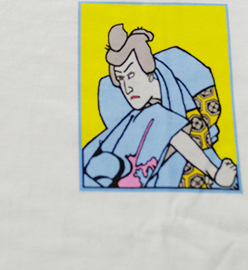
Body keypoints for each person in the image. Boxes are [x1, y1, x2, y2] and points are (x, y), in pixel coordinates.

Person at [83, 24, 238, 189]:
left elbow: (177, 139)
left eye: (131, 75)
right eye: (121, 79)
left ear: (150, 73)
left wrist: (215, 173)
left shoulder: (161, 112)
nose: (127, 87)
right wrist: (215, 173)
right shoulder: (133, 120)